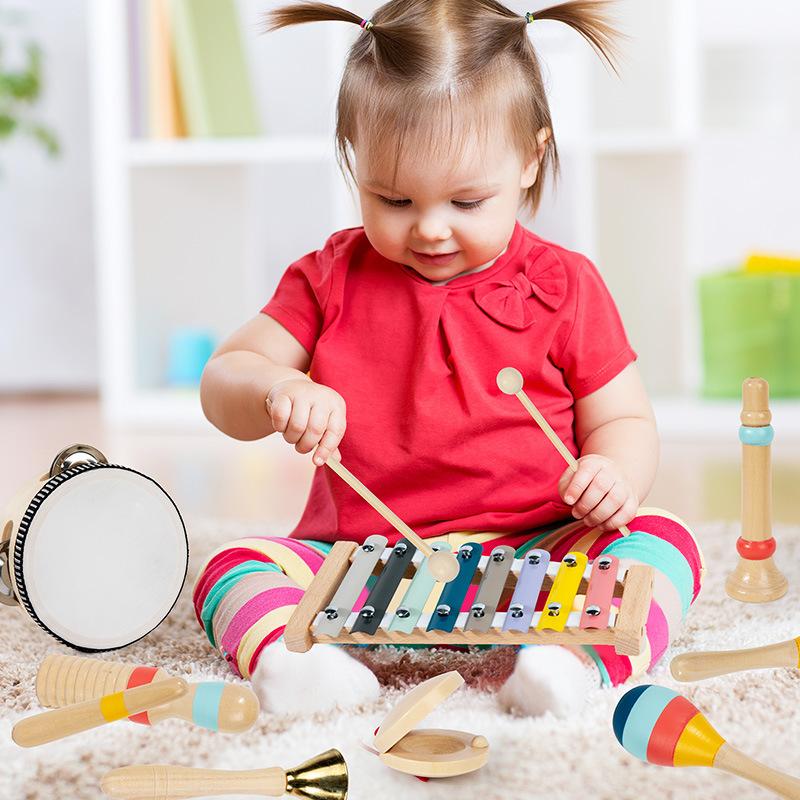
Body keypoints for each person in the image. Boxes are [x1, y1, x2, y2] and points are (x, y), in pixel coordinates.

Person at [196, 0, 704, 718]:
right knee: (234, 567)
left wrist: (614, 473)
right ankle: (298, 668)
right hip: (363, 565)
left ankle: (569, 667)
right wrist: (274, 384)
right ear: (353, 158)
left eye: (468, 200)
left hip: (538, 557)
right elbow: (225, 379)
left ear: (530, 159)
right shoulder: (330, 276)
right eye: (393, 197)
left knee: (663, 541)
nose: (430, 228)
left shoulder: (566, 286)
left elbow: (622, 415)